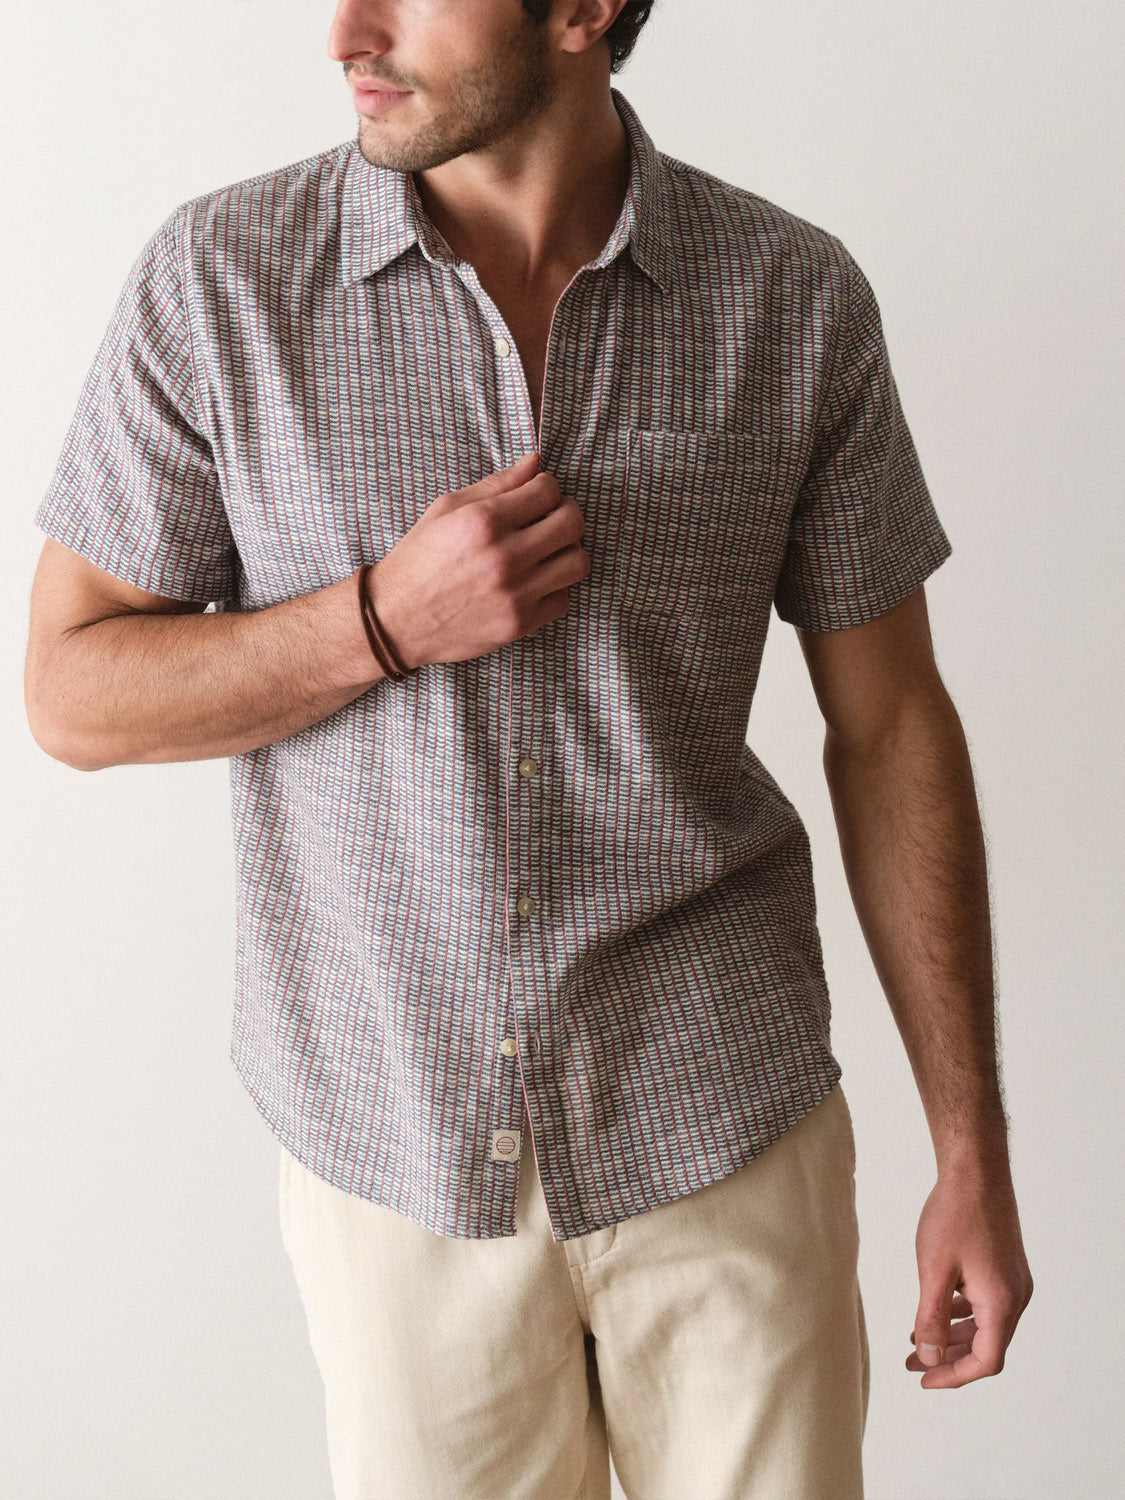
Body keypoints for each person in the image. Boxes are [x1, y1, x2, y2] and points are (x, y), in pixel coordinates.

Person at [24, 0, 1034, 1496]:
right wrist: (377, 621)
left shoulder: (790, 299)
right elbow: (69, 691)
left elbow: (887, 725)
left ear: (582, 10)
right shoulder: (220, 281)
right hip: (395, 1162)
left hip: (724, 1132)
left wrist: (971, 1144)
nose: (345, 33)